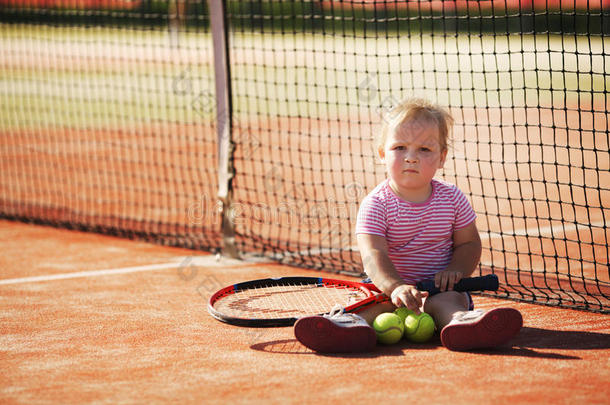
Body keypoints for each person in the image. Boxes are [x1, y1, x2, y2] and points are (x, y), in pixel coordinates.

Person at [294, 98, 522, 352]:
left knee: (447, 302)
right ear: (382, 154)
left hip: (438, 290)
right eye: (400, 147)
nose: (411, 158)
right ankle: (347, 327)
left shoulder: (453, 198)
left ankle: (463, 324)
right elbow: (373, 254)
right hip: (387, 289)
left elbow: (469, 243)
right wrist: (395, 287)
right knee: (373, 303)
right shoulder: (376, 204)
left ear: (441, 157)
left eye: (424, 150)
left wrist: (455, 270)